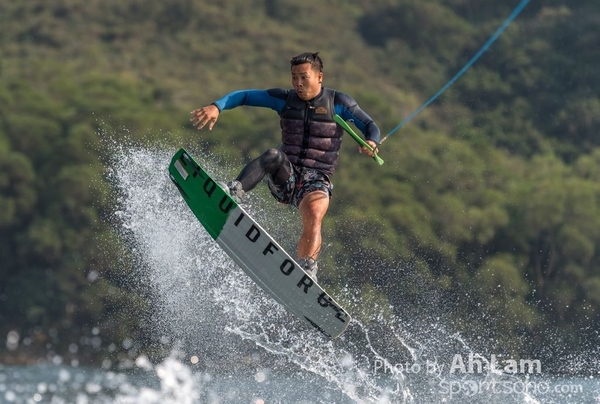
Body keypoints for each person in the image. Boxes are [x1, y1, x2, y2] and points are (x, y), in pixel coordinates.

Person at [190, 52, 380, 281]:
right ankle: (233, 191)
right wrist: (217, 106)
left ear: (319, 77)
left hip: (317, 178)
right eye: (294, 77)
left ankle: (307, 268)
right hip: (286, 175)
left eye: (304, 77)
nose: (298, 83)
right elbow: (245, 96)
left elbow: (369, 125)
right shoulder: (285, 99)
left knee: (315, 211)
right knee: (272, 155)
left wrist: (371, 142)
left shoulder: (339, 103)